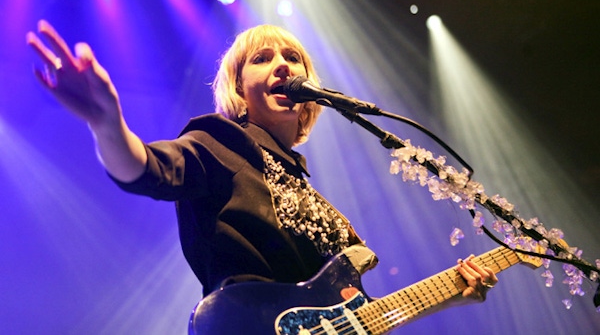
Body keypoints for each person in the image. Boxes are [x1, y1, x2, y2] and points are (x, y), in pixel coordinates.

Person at [26, 20, 498, 330]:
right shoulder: (221, 142)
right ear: (238, 85)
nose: (282, 65)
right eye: (263, 58)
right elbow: (147, 169)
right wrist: (106, 122)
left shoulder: (323, 206)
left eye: (292, 58)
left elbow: (353, 321)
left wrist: (450, 296)